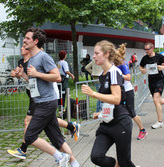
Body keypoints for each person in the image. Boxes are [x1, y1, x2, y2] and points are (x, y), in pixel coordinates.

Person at [14, 27, 80, 167]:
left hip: (46, 102)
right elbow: (34, 81)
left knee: (30, 136)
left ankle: (59, 156)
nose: (24, 40)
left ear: (36, 41)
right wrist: (23, 75)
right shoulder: (32, 58)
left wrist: (37, 74)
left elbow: (57, 77)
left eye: (27, 38)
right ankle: (75, 164)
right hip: (41, 101)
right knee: (57, 140)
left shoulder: (43, 57)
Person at [81, 40, 138, 167]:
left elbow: (116, 99)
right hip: (107, 124)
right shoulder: (102, 74)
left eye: (96, 53)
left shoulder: (114, 72)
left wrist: (93, 94)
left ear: (106, 54)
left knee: (125, 162)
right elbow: (109, 101)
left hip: (121, 123)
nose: (93, 56)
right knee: (96, 157)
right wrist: (101, 113)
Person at [139, 42, 164, 129]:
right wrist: (142, 70)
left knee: (156, 100)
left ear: (152, 48)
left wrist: (163, 67)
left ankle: (160, 122)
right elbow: (141, 66)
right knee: (158, 101)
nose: (146, 51)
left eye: (148, 49)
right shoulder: (145, 58)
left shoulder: (159, 56)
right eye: (145, 49)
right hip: (151, 81)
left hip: (159, 80)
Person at [115, 44, 147, 140]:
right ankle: (119, 131)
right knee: (118, 111)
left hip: (127, 90)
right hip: (119, 90)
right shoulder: (114, 63)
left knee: (131, 112)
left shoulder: (123, 63)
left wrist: (118, 74)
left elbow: (128, 77)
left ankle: (143, 130)